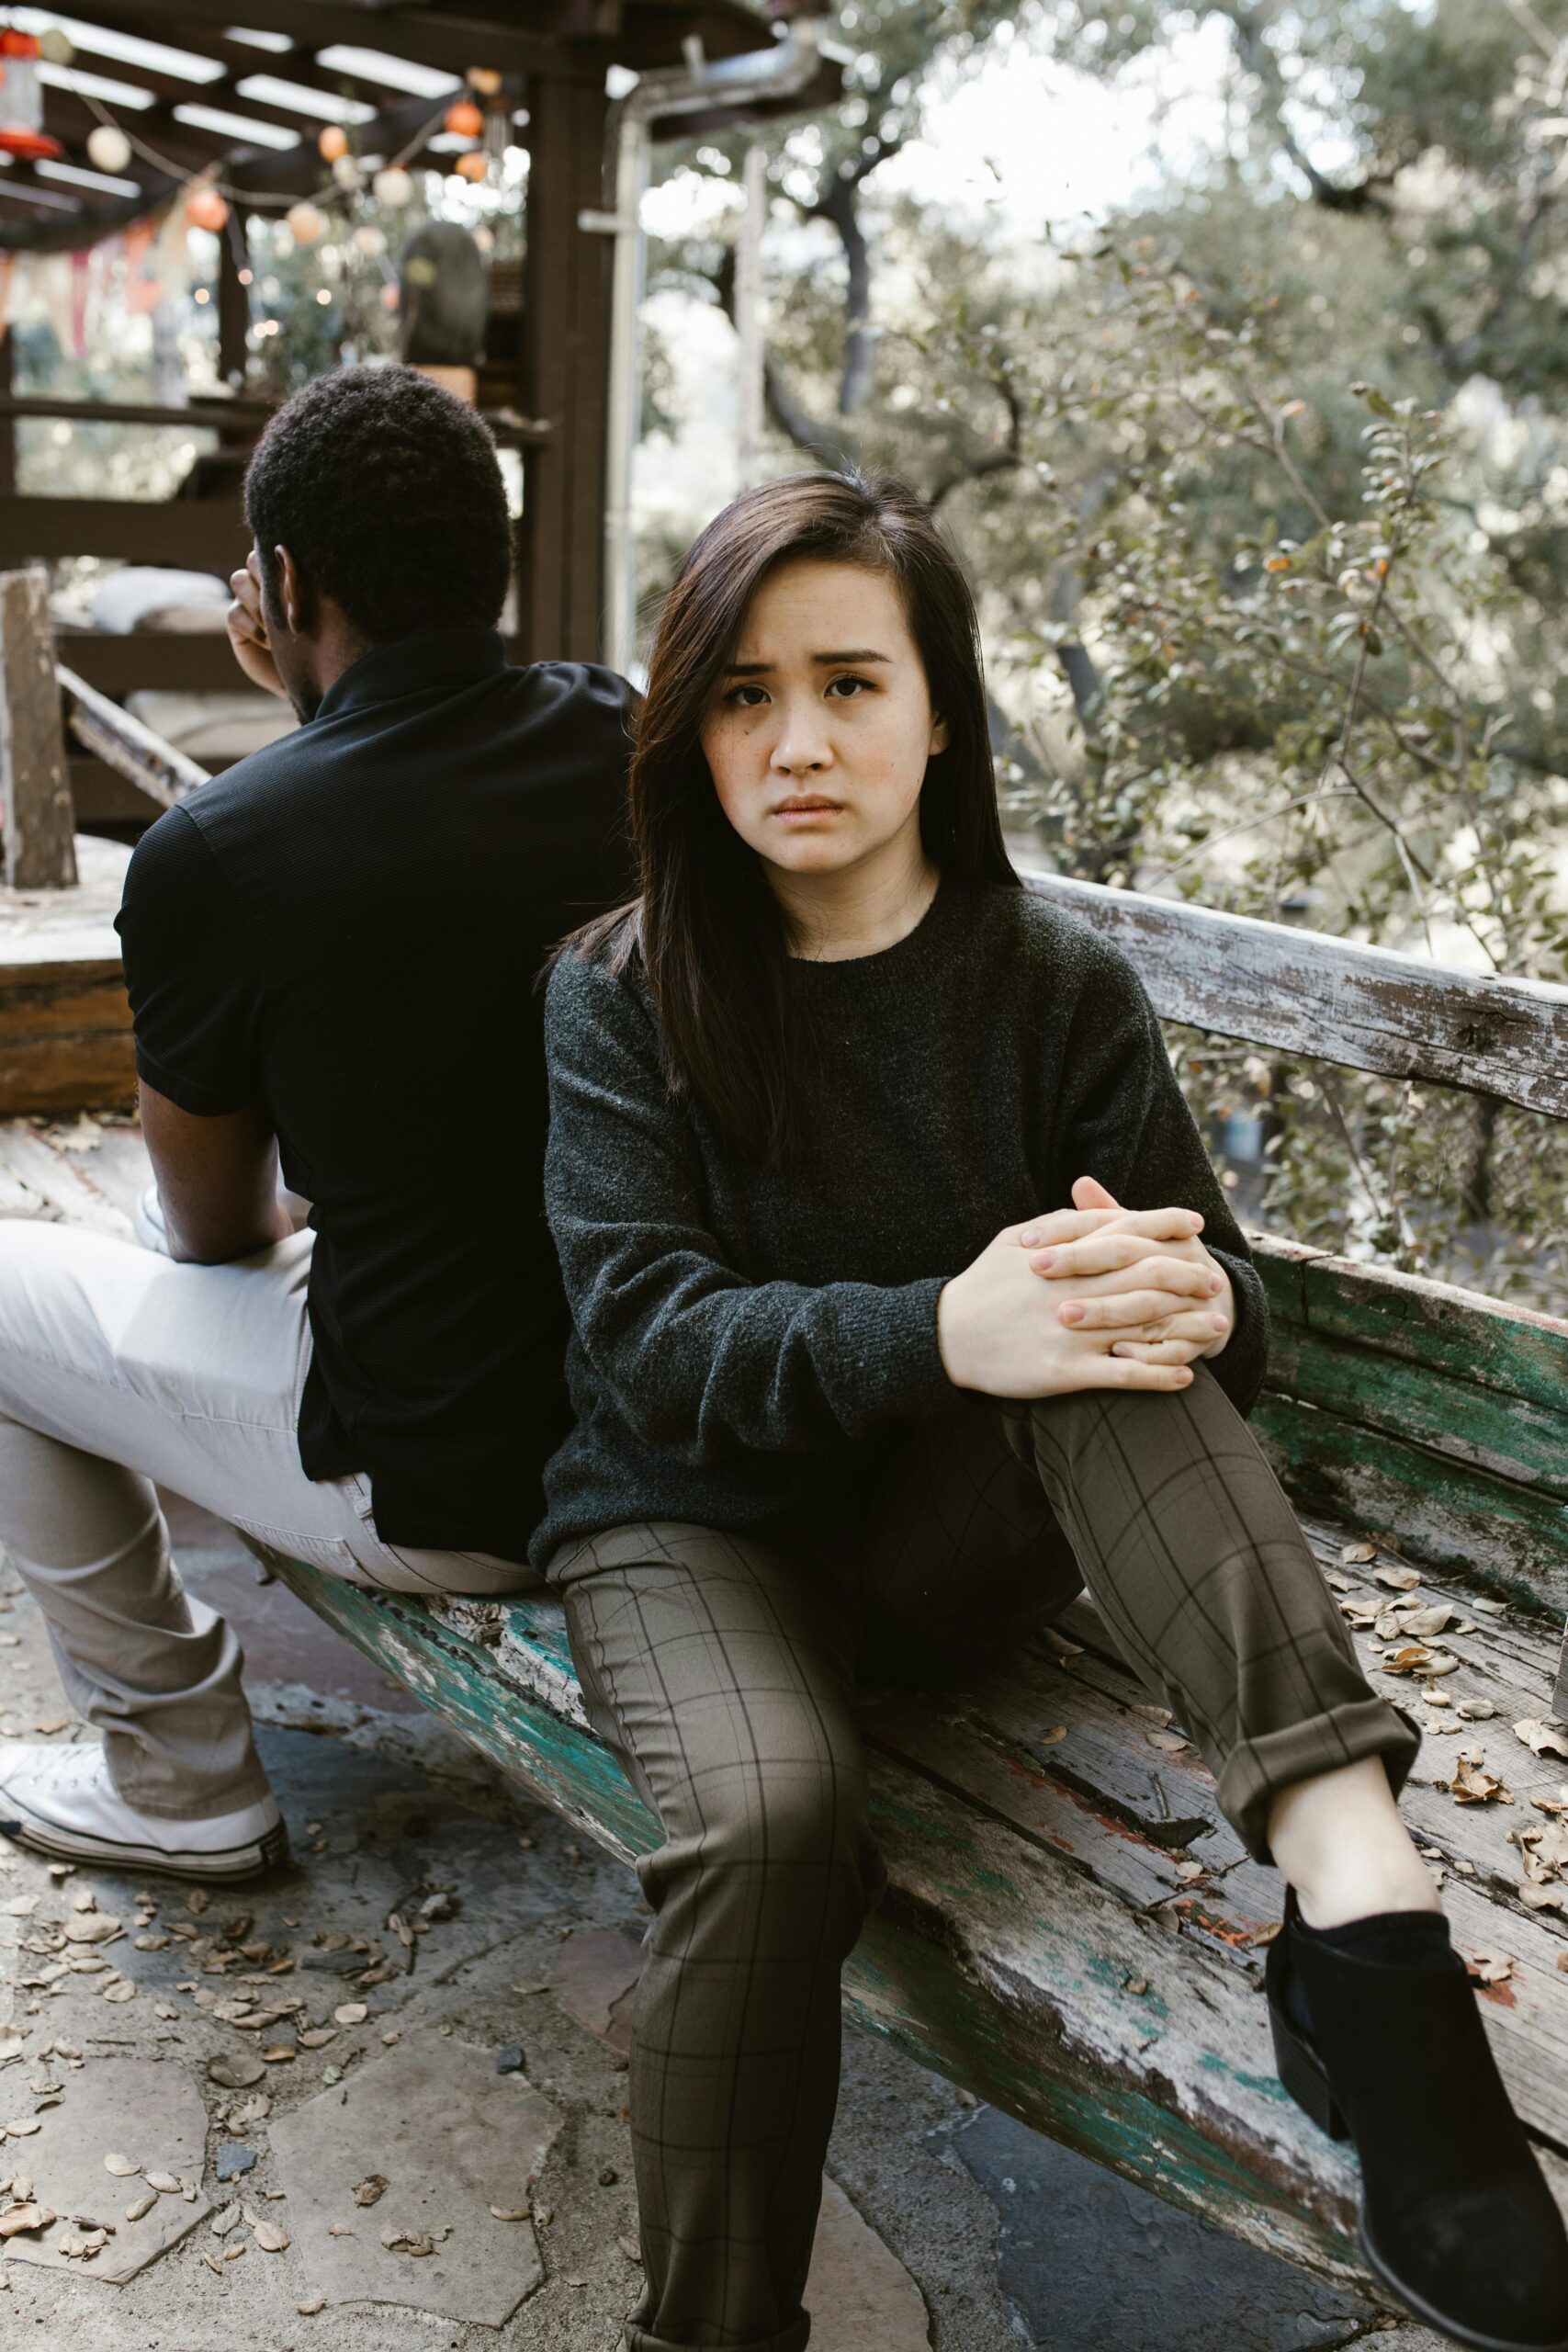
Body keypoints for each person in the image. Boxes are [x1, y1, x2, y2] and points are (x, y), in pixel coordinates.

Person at [536, 469, 1568, 2352]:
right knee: (770, 1816)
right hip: (688, 1523)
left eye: (849, 682)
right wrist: (946, 1323)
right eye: (742, 695)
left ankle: (1365, 1922)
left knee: (1110, 1308)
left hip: (954, 1543)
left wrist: (1201, 1294)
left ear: (941, 710)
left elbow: (1223, 1305)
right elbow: (647, 1343)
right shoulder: (617, 994)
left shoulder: (1053, 987)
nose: (796, 739)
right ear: (687, 734)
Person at [0, 365, 633, 1880]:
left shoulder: (224, 845)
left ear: (280, 584)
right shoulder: (627, 742)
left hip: (448, 1482)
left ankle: (176, 1772)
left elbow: (216, 1226)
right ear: (492, 563)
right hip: (652, 1416)